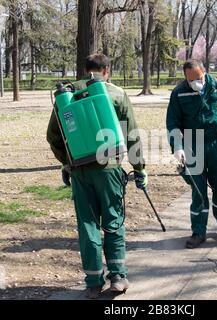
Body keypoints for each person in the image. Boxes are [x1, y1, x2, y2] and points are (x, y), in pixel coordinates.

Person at [47, 53, 147, 298]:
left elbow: (54, 137)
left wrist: (67, 163)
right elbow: (131, 134)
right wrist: (139, 168)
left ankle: (92, 282)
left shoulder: (66, 97)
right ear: (107, 70)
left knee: (88, 225)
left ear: (85, 69)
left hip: (81, 170)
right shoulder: (115, 93)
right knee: (113, 221)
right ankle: (118, 277)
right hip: (109, 167)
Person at [166, 59, 217, 249]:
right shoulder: (179, 92)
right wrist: (177, 146)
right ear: (185, 78)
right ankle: (198, 231)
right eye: (191, 80)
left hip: (216, 144)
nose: (195, 83)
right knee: (198, 191)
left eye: (198, 78)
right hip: (192, 144)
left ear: (204, 72)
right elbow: (173, 123)